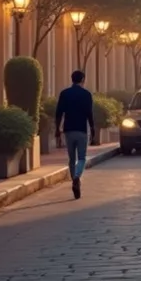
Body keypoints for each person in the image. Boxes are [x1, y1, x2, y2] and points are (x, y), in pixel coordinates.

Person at [55, 69, 95, 198]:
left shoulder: (64, 94)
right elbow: (89, 113)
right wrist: (92, 128)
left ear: (72, 79)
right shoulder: (86, 94)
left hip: (68, 130)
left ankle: (74, 180)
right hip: (81, 130)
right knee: (82, 158)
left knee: (72, 159)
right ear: (83, 80)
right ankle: (77, 177)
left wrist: (57, 129)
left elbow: (59, 113)